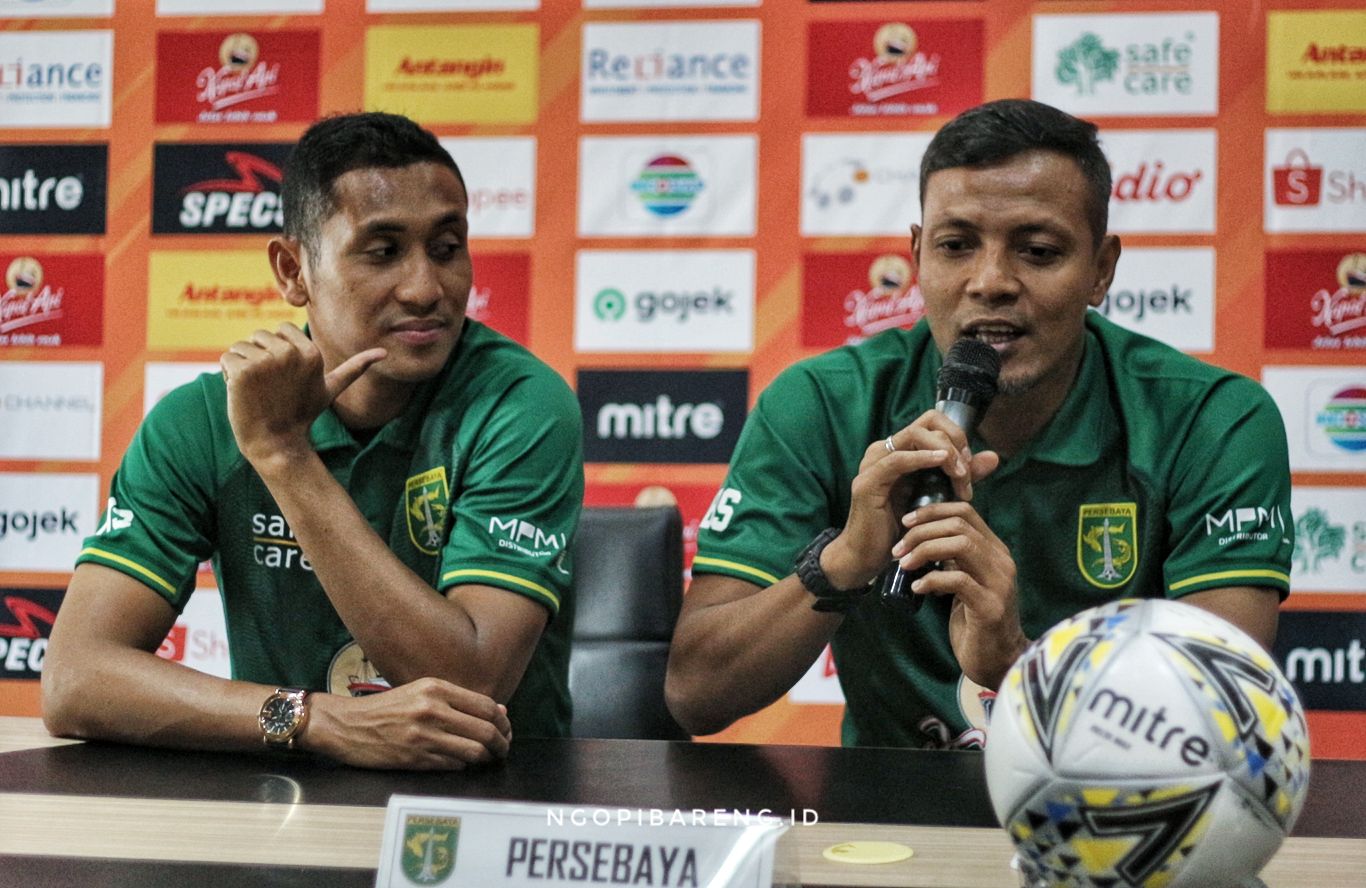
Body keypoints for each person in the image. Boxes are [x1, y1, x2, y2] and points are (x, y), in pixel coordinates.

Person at [665, 99, 1293, 749]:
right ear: (917, 255)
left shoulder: (1213, 419)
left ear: (1101, 269)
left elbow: (1228, 718)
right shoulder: (820, 404)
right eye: (956, 246)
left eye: (1038, 250)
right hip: (889, 825)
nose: (990, 282)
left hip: (1120, 816)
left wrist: (1017, 663)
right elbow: (694, 696)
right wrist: (846, 561)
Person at [42, 112, 584, 769]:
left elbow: (467, 684)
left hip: (491, 802)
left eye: (446, 247)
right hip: (286, 796)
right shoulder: (202, 420)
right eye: (383, 252)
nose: (426, 288)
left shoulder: (520, 405)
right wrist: (314, 720)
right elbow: (74, 681)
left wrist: (283, 455)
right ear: (293, 269)